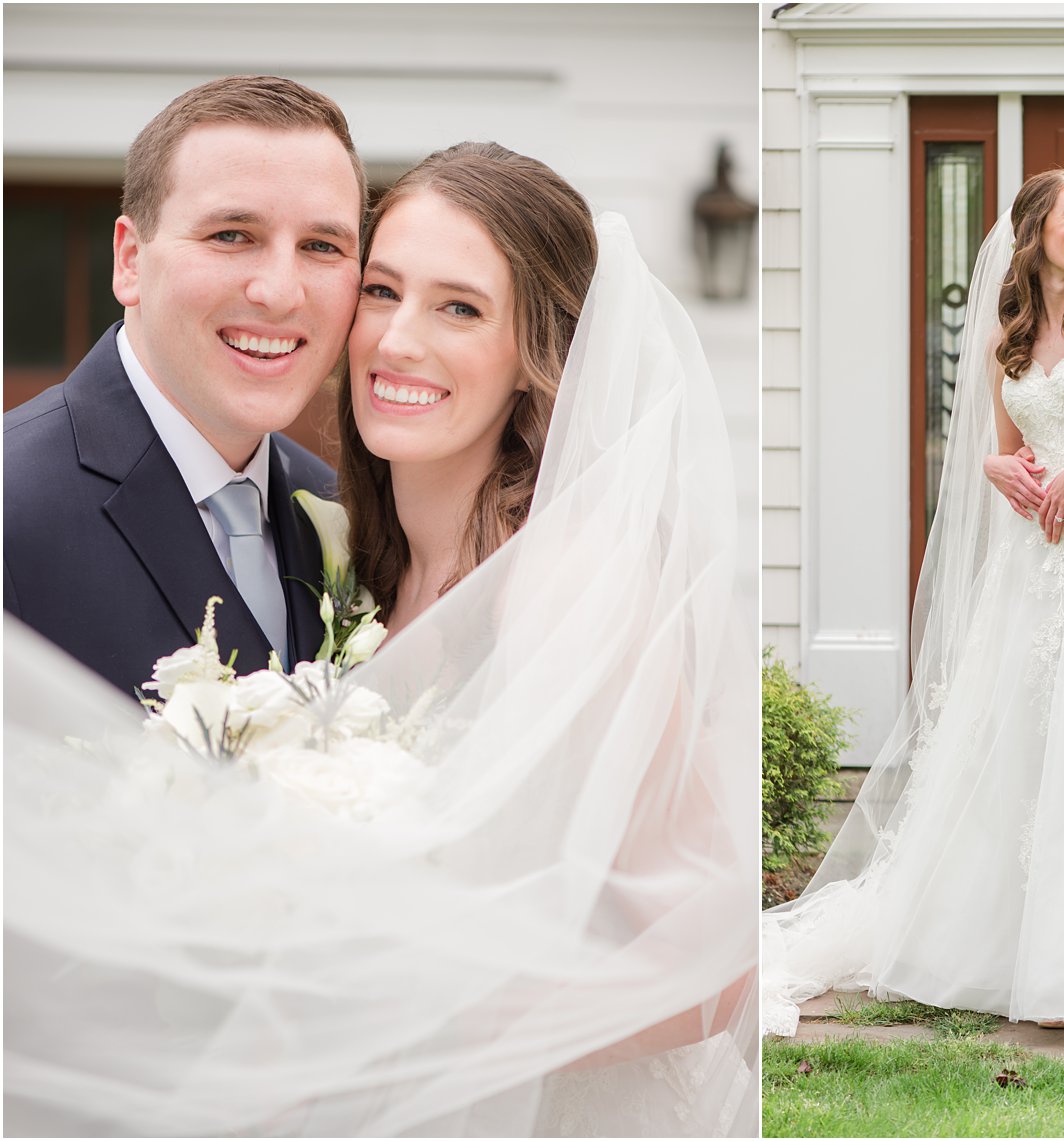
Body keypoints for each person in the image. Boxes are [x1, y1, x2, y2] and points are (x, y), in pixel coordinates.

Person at [5, 142, 757, 1136]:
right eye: (381, 291)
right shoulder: (359, 561)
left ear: (538, 353)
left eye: (460, 307)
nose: (398, 340)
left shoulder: (567, 576)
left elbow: (721, 961)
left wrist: (411, 1028)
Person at [762, 170, 1064, 1038]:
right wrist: (1001, 466)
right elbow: (1005, 452)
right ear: (1032, 231)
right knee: (1027, 742)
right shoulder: (1007, 338)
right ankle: (1008, 949)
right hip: (1036, 561)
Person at [3, 75, 363, 694]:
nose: (279, 292)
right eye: (231, 235)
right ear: (131, 260)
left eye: (322, 245)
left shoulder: (347, 516)